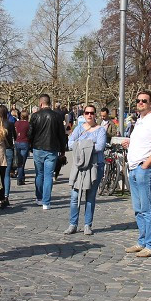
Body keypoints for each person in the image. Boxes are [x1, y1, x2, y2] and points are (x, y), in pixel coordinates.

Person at [121, 91, 151, 257]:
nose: (140, 103)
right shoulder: (139, 121)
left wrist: (146, 165)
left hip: (144, 169)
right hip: (134, 168)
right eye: (138, 100)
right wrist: (130, 144)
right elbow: (144, 142)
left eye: (144, 101)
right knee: (138, 209)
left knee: (147, 208)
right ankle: (142, 241)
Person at [66, 104, 107, 235]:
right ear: (83, 114)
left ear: (95, 114)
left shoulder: (100, 130)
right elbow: (70, 143)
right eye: (87, 113)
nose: (90, 115)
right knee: (75, 196)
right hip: (80, 166)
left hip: (95, 166)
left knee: (90, 196)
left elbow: (100, 147)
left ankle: (87, 225)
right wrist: (88, 145)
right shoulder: (79, 129)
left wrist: (81, 146)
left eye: (92, 113)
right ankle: (73, 224)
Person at [29, 95, 66, 210]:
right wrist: (63, 149)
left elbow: (30, 133)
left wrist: (31, 145)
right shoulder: (57, 116)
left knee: (39, 174)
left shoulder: (35, 116)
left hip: (38, 147)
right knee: (48, 175)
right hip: (52, 148)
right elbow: (61, 134)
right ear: (50, 103)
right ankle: (46, 202)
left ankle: (39, 197)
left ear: (41, 104)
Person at [13, 111, 31, 186]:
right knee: (22, 163)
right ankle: (20, 178)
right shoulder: (28, 124)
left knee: (20, 161)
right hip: (25, 142)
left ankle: (22, 176)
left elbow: (15, 132)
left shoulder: (17, 123)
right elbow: (30, 134)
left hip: (18, 142)